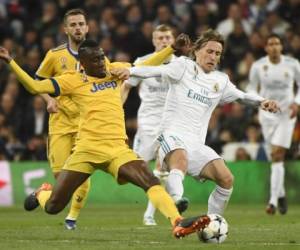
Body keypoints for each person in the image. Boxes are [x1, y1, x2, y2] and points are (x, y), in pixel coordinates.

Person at [0, 40, 211, 239]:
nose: (102, 62)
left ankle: (177, 222)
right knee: (54, 207)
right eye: (96, 60)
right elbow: (34, 87)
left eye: (102, 57)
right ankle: (42, 194)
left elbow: (146, 66)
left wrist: (171, 48)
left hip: (116, 149)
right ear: (83, 64)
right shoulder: (71, 81)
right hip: (86, 150)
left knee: (150, 180)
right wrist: (11, 62)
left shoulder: (114, 71)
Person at [34, 8, 187, 230]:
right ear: (65, 29)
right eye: (73, 24)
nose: (78, 28)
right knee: (61, 184)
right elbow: (38, 82)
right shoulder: (55, 56)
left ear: (87, 27)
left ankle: (72, 219)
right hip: (62, 124)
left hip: (96, 132)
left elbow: (137, 69)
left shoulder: (105, 63)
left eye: (81, 24)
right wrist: (49, 100)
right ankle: (45, 195)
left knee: (136, 176)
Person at [113, 29, 280, 217]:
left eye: (217, 54)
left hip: (196, 143)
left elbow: (242, 96)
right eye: (209, 51)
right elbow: (154, 70)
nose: (213, 57)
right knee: (180, 159)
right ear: (197, 50)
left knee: (226, 178)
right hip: (171, 136)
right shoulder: (183, 66)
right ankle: (176, 200)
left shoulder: (220, 80)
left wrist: (262, 101)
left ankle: (213, 221)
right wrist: (130, 70)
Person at [121, 24, 189, 226]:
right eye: (160, 38)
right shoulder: (143, 62)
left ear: (173, 39)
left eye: (168, 37)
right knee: (136, 170)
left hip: (170, 122)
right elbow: (126, 86)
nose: (164, 41)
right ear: (153, 41)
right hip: (147, 123)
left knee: (163, 167)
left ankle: (153, 213)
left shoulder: (181, 64)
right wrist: (116, 109)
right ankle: (155, 208)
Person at [247, 33, 300, 215]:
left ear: (281, 47)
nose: (274, 46)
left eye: (277, 43)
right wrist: (260, 101)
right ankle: (282, 194)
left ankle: (272, 201)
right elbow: (251, 88)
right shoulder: (258, 66)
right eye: (271, 44)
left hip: (286, 114)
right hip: (267, 115)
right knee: (273, 157)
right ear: (266, 48)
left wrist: (297, 102)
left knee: (278, 154)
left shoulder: (292, 64)